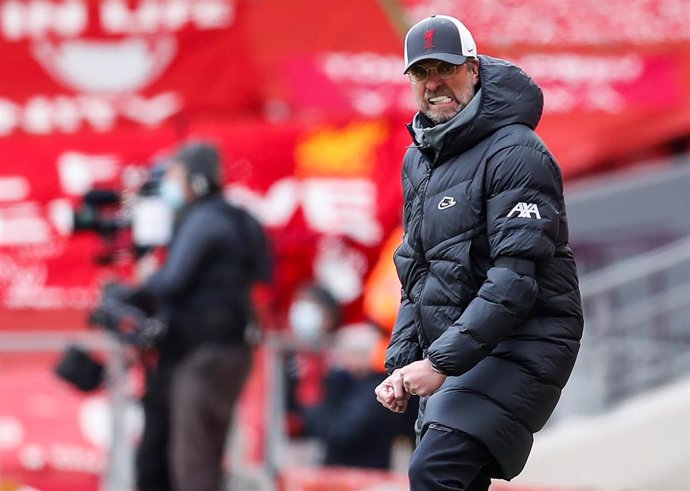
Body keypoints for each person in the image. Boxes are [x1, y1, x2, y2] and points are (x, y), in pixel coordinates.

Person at [374, 15, 584, 490]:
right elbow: (418, 274)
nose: (434, 84)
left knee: (435, 471)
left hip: (525, 336)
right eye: (421, 73)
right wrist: (402, 366)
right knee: (452, 479)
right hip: (461, 347)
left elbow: (515, 281)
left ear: (472, 69)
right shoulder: (419, 158)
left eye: (445, 69)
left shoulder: (516, 151)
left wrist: (438, 364)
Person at [132, 141, 272, 491]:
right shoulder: (239, 218)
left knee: (192, 460)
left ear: (195, 180)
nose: (169, 185)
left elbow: (171, 282)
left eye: (175, 176)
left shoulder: (203, 220)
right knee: (208, 453)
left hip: (203, 354)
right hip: (233, 350)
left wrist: (148, 274)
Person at [300, 322, 416, 469]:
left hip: (362, 474)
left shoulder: (373, 391)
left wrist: (313, 408)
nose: (337, 361)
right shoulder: (352, 384)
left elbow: (341, 432)